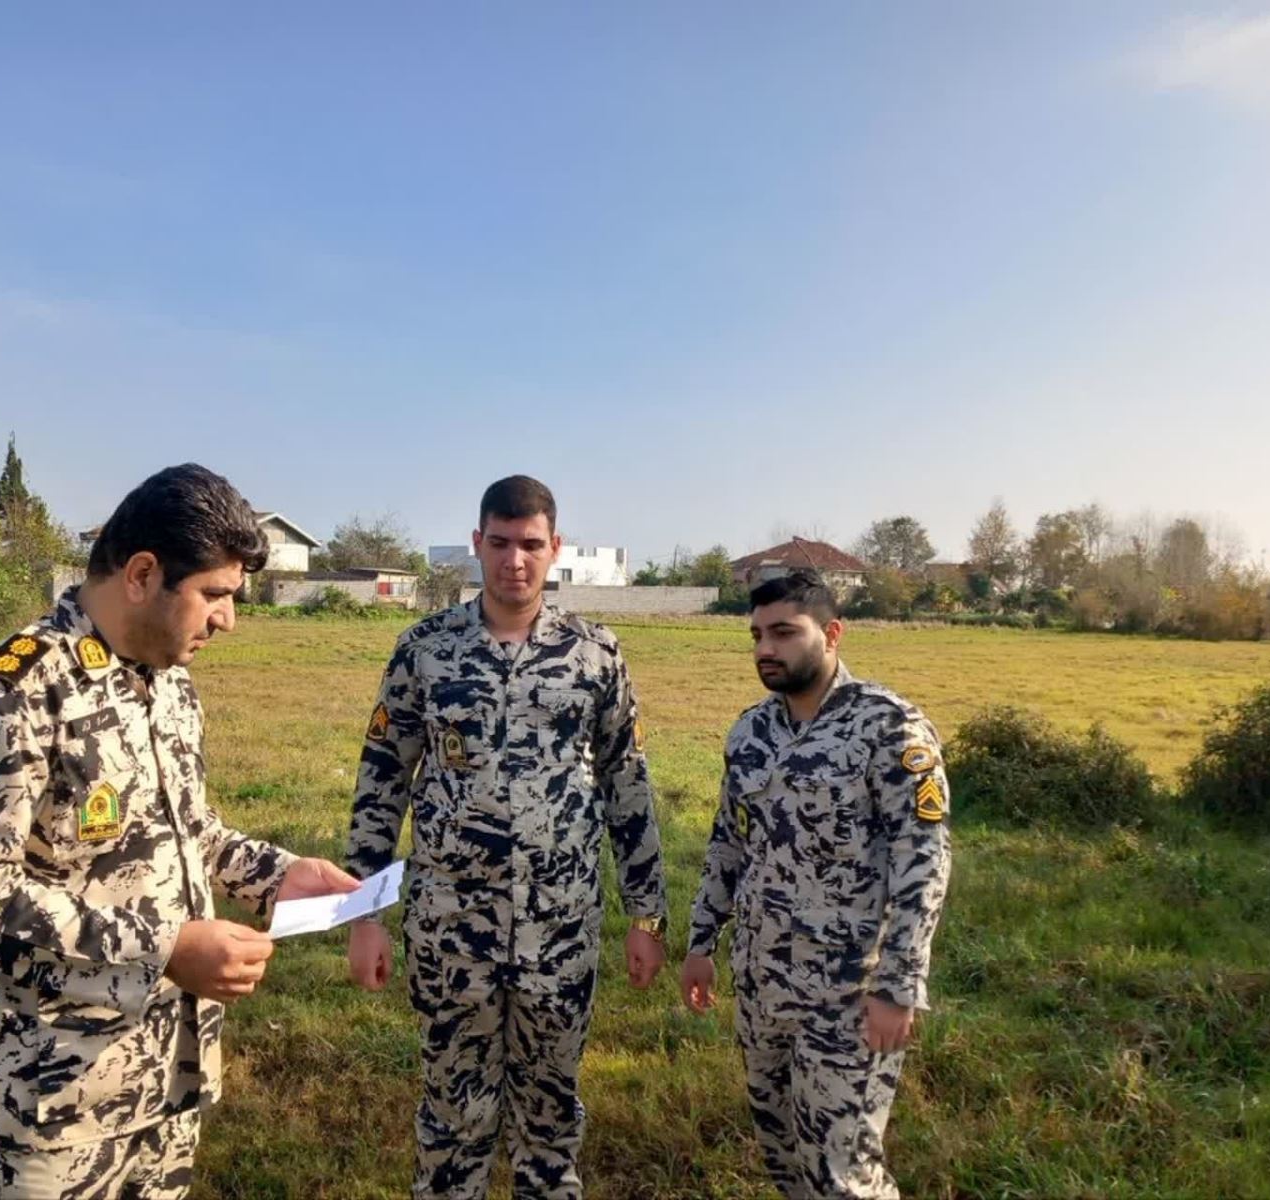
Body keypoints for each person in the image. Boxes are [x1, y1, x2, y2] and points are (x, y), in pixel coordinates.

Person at [0, 463, 358, 1199]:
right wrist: (164, 949)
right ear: (143, 574)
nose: (229, 620)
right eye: (214, 595)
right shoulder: (11, 692)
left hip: (159, 1086)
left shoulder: (166, 681)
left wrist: (274, 874)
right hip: (39, 1112)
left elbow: (187, 827)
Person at [344, 474, 668, 1199]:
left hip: (559, 932)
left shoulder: (595, 654)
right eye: (499, 543)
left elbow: (629, 787)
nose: (514, 561)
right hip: (452, 931)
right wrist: (363, 916)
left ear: (554, 549)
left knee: (550, 1120)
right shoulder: (424, 651)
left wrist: (646, 916)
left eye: (530, 545)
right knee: (452, 1120)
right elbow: (379, 786)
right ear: (476, 545)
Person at [679, 569, 952, 1200]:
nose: (765, 650)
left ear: (831, 634)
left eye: (783, 633)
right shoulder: (751, 732)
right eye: (755, 636)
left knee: (844, 1176)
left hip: (849, 995)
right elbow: (729, 843)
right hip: (763, 985)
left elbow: (924, 860)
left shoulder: (889, 728)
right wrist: (701, 943)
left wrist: (900, 986)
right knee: (784, 1158)